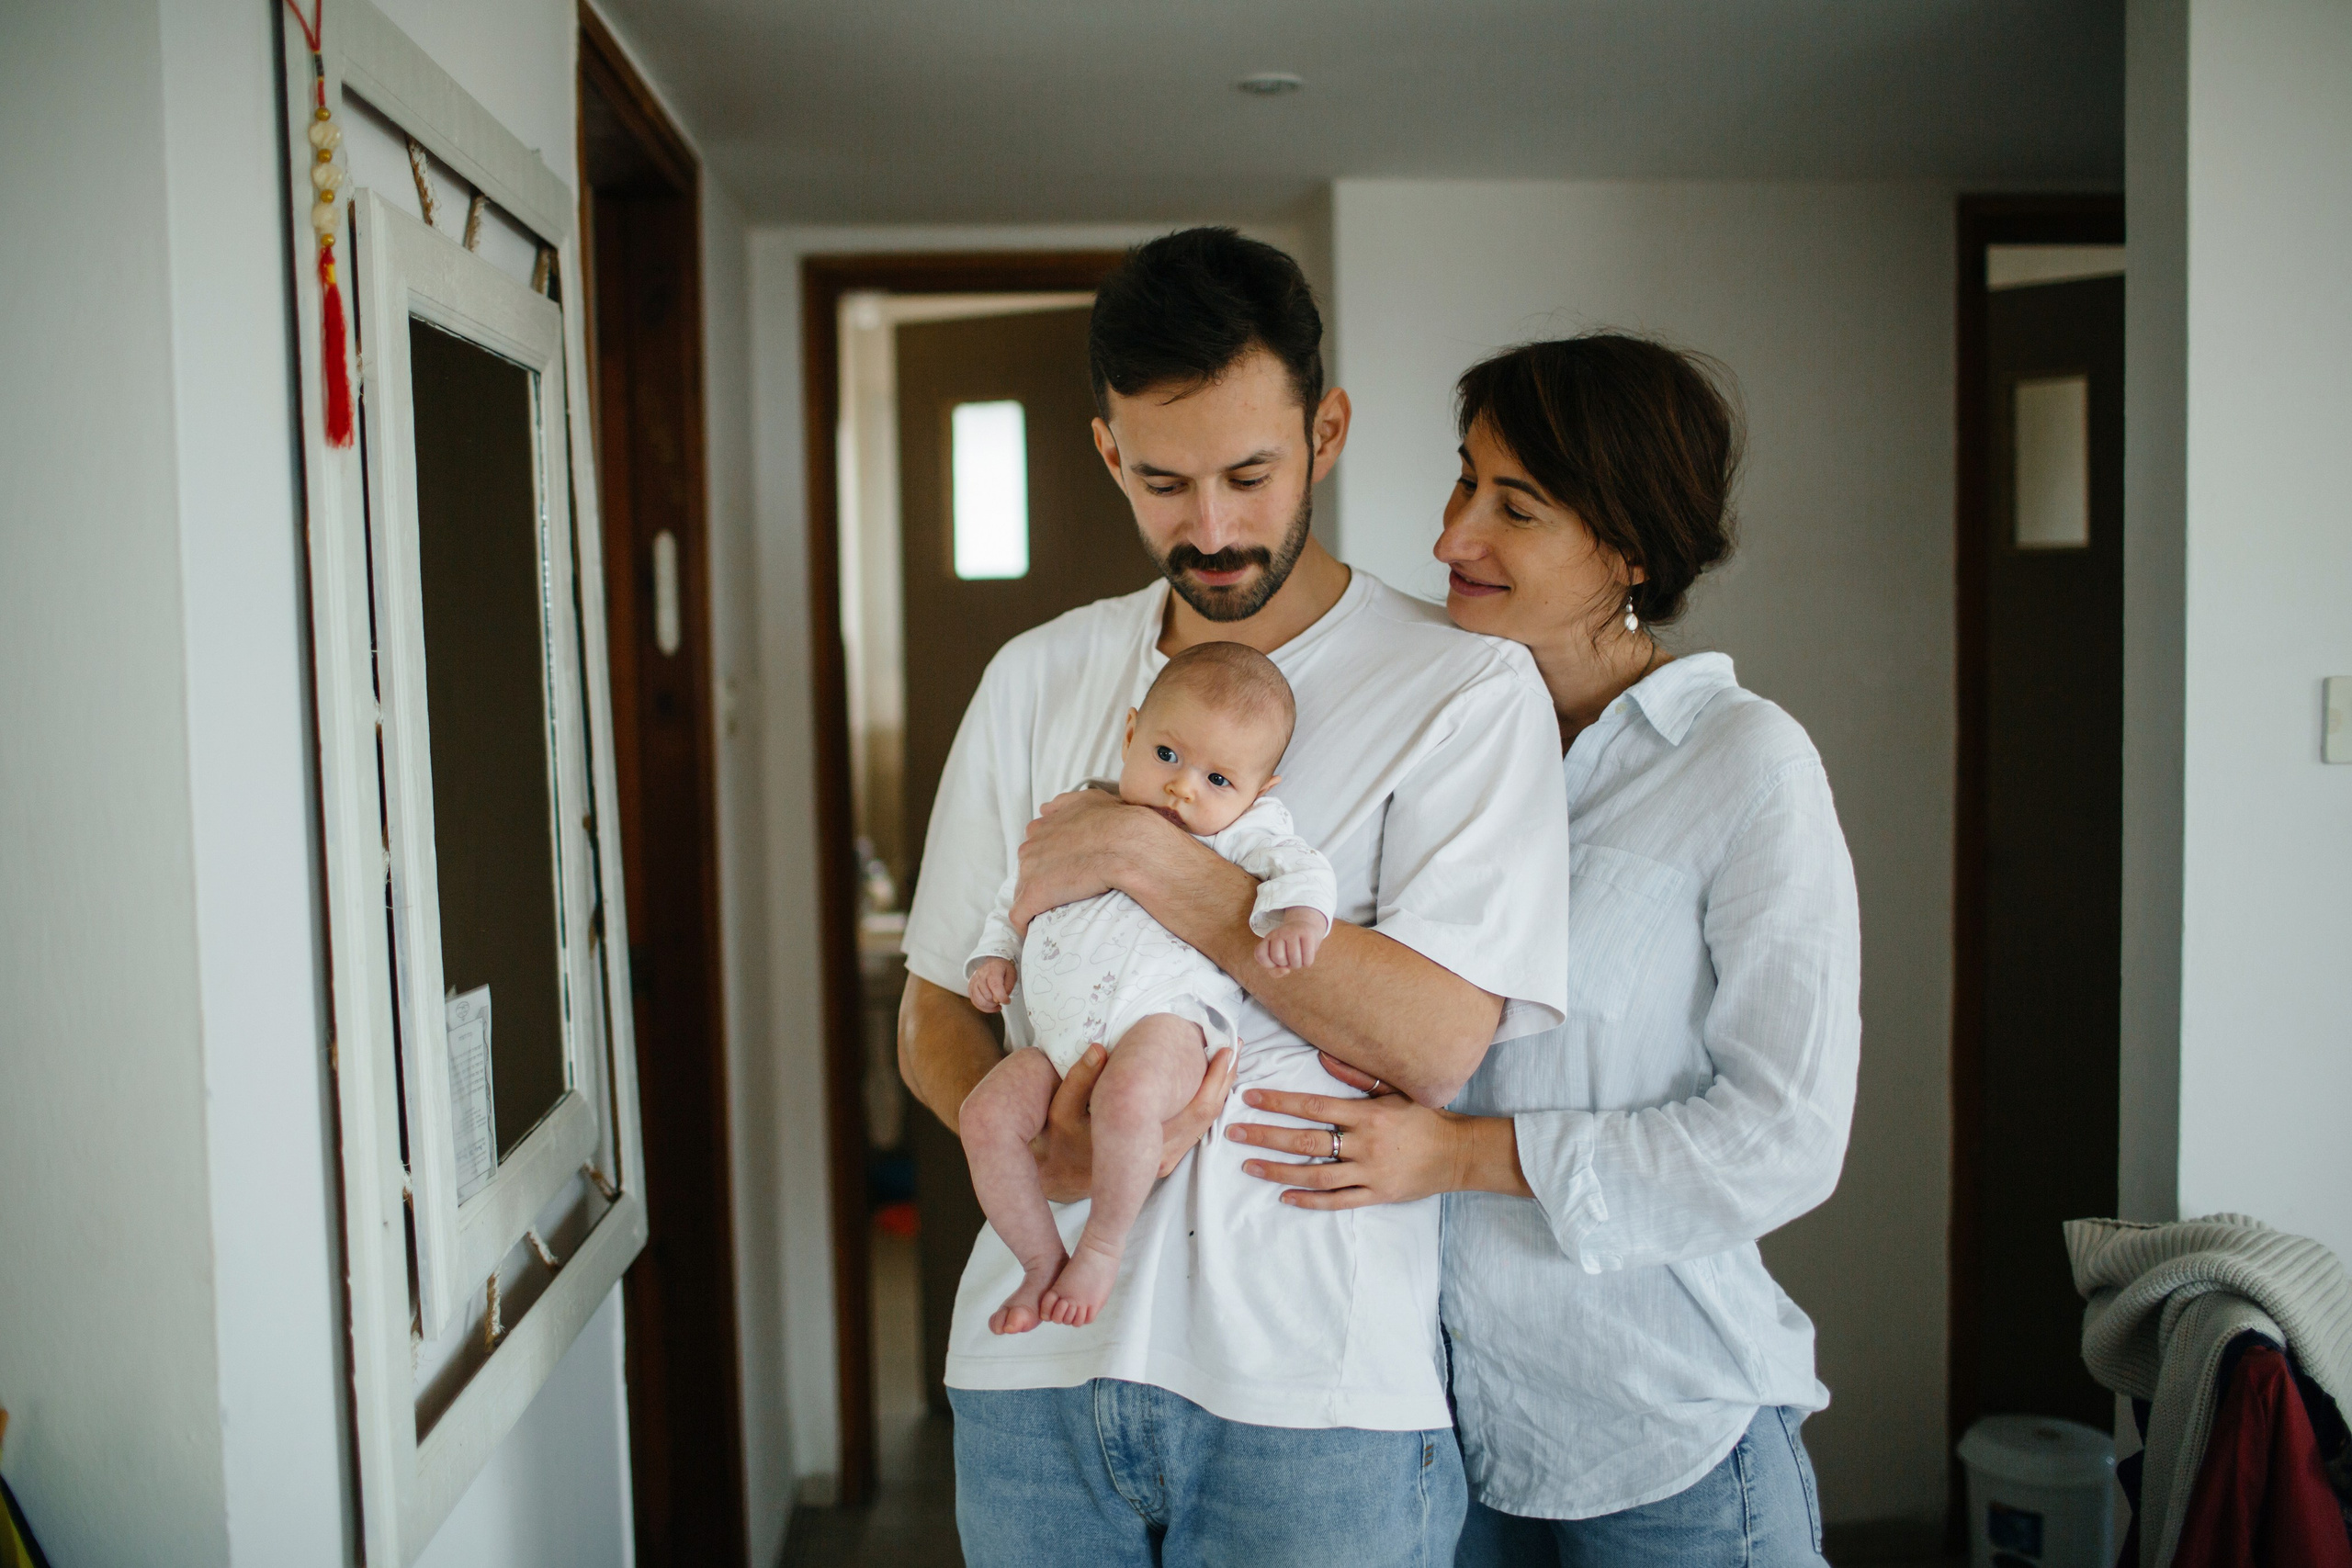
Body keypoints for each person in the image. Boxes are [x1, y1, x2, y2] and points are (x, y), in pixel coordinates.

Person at [896, 228, 1569, 1568]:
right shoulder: (1034, 674)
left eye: (1250, 474)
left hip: (1310, 1386)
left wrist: (1147, 858)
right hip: (1032, 1376)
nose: (1209, 528)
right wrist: (1048, 1154)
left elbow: (1438, 1039)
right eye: (1163, 481)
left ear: (1326, 431)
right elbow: (929, 1010)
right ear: (1105, 453)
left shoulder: (1464, 691)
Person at [1230, 333, 1862, 1567]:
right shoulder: (1419, 741)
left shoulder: (1743, 765)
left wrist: (1464, 1154)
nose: (1452, 537)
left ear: (1632, 548)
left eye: (1514, 506)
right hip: (1435, 1438)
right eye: (1463, 480)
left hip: (1662, 1431)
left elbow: (1787, 1134)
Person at [959, 642, 1338, 1335]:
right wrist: (994, 954)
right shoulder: (1079, 812)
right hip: (1059, 1040)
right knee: (984, 1115)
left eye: (1219, 778)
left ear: (1260, 790)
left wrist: (1302, 916)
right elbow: (1015, 892)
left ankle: (1101, 1246)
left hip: (1164, 1020)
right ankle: (1041, 1259)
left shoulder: (1240, 833)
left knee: (1130, 1099)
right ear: (1132, 733)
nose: (1184, 788)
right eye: (1167, 755)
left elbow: (1301, 866)